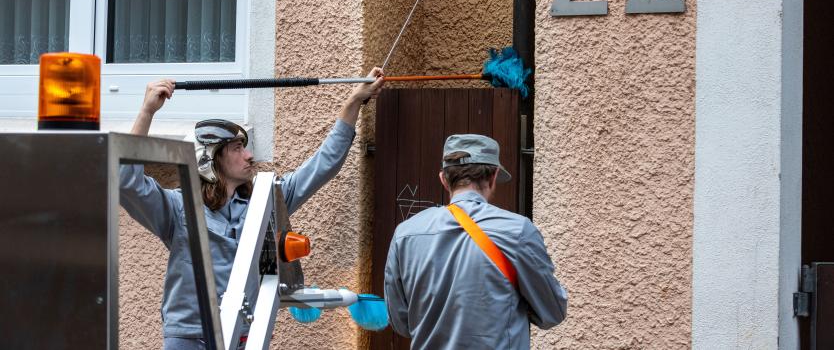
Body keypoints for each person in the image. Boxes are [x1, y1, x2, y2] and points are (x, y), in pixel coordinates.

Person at [121, 69, 384, 350]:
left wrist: (353, 103)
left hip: (245, 334)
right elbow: (127, 182)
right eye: (236, 148)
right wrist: (148, 110)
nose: (249, 155)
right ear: (210, 158)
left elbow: (323, 165)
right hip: (189, 337)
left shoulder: (264, 203)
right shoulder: (179, 207)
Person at [384, 133, 567, 349]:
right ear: (493, 176)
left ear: (444, 179)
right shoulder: (517, 230)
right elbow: (552, 312)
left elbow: (401, 322)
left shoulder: (405, 233)